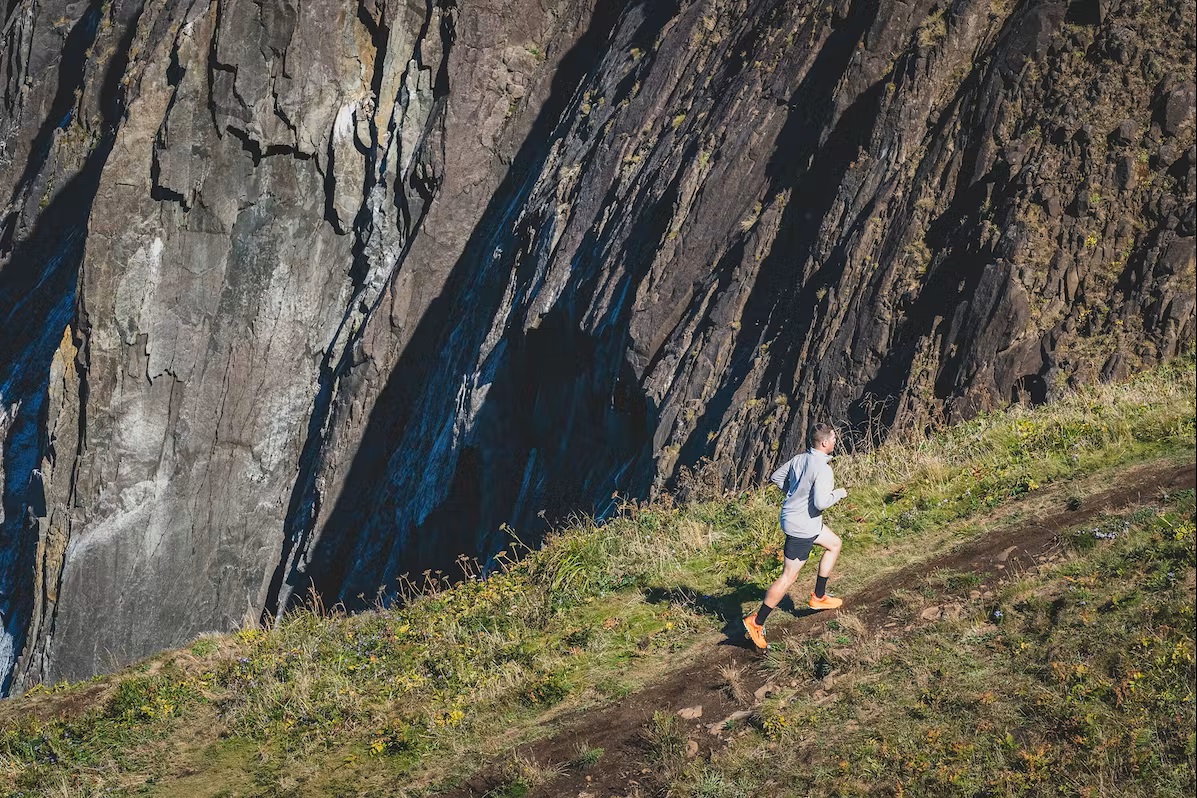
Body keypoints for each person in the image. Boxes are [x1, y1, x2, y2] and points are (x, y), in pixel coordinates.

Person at [743, 422, 847, 651]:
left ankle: (819, 596)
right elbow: (821, 502)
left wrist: (794, 493)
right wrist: (838, 494)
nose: (835, 441)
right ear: (825, 443)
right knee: (788, 577)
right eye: (833, 438)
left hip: (801, 521)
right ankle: (756, 622)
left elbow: (776, 477)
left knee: (834, 544)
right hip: (802, 527)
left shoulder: (800, 459)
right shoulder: (823, 468)